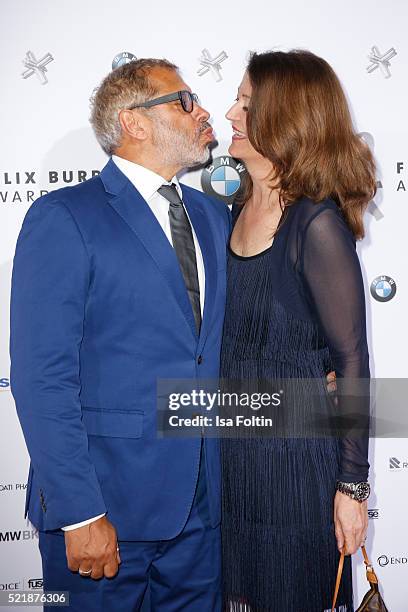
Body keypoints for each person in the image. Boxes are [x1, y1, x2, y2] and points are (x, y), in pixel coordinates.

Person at [10, 58, 230, 611]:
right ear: (134, 122)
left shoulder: (211, 215)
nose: (204, 112)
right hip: (105, 510)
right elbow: (42, 378)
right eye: (184, 100)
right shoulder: (66, 217)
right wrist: (79, 511)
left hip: (201, 513)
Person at [220, 50, 376, 611]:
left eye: (245, 102)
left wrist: (352, 487)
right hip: (230, 471)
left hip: (295, 476)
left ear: (283, 116)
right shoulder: (227, 210)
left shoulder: (316, 224)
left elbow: (352, 361)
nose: (231, 113)